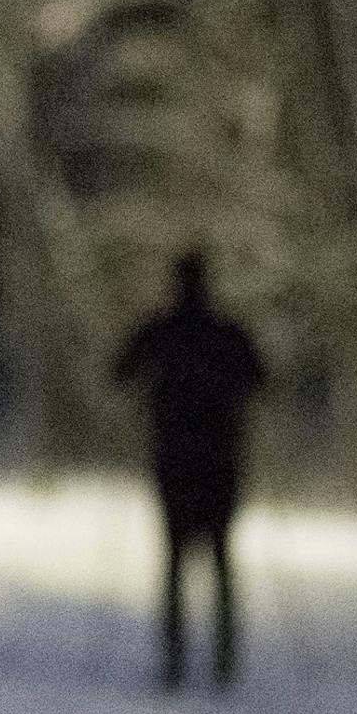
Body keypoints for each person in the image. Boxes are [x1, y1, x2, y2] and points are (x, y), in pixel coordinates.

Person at [114, 251, 266, 690]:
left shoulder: (161, 330)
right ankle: (224, 660)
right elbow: (260, 379)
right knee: (221, 559)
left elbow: (120, 371)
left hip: (174, 462)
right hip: (222, 464)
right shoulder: (228, 332)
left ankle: (175, 663)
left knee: (175, 562)